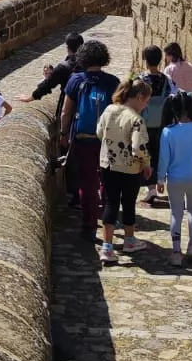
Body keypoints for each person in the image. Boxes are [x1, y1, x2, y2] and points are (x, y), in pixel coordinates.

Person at [60, 41, 120, 240]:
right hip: (107, 140)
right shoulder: (113, 82)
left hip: (83, 139)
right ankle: (107, 221)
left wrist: (63, 134)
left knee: (87, 183)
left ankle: (89, 226)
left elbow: (66, 112)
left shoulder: (76, 80)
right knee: (107, 180)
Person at [19, 32, 84, 206]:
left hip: (72, 111)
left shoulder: (65, 67)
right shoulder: (87, 64)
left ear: (67, 46)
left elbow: (49, 83)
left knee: (70, 152)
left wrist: (32, 96)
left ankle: (76, 195)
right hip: (88, 114)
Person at [96, 79, 152, 264]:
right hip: (130, 168)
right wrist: (146, 164)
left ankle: (107, 247)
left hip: (108, 164)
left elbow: (99, 132)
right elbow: (138, 148)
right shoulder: (136, 119)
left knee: (111, 202)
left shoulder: (109, 110)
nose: (147, 104)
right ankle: (129, 241)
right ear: (139, 97)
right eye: (146, 100)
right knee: (128, 203)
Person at [157, 93, 192, 266]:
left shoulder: (168, 131)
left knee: (176, 213)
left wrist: (160, 178)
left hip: (175, 177)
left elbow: (164, 158)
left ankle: (176, 251)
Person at [139, 45, 170, 206]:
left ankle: (150, 189)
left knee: (145, 155)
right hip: (160, 123)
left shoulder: (141, 79)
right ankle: (155, 186)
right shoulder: (165, 79)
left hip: (144, 122)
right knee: (157, 154)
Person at [164, 43, 192, 114]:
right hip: (191, 108)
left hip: (176, 108)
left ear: (170, 55)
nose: (166, 58)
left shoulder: (169, 70)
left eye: (166, 55)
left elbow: (165, 90)